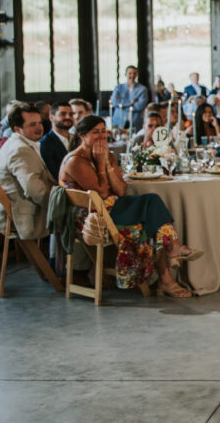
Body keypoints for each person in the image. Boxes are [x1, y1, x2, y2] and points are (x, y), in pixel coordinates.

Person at [59, 115, 201, 297]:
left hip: (112, 207)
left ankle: (167, 274)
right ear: (81, 136)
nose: (101, 136)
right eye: (95, 132)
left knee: (152, 215)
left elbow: (120, 190)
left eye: (103, 131)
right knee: (151, 203)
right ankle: (171, 257)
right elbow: (102, 194)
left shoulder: (106, 154)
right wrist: (102, 164)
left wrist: (108, 162)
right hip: (93, 218)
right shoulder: (75, 161)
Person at [0, 103, 56, 242]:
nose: (39, 127)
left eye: (39, 123)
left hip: (13, 212)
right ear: (17, 129)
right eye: (32, 124)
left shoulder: (17, 143)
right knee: (78, 214)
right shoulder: (20, 150)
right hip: (24, 217)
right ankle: (68, 262)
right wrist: (59, 206)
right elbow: (34, 190)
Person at [39, 101, 75, 180]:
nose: (68, 117)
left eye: (71, 114)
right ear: (51, 117)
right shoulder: (45, 143)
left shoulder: (77, 139)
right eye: (63, 114)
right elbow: (54, 173)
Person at [110, 65, 149, 131]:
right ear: (125, 74)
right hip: (119, 120)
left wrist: (122, 105)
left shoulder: (142, 89)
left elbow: (140, 106)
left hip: (135, 122)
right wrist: (131, 103)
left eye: (134, 73)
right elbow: (114, 102)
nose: (132, 75)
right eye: (130, 73)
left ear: (137, 75)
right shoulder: (118, 88)